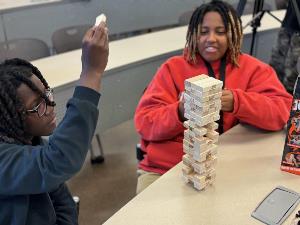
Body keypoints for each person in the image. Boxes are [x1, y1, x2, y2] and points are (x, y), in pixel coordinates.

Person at [134, 0, 292, 194]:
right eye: (203, 31)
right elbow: (145, 122)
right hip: (164, 169)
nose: (211, 38)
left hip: (227, 167)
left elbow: (283, 111)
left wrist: (237, 102)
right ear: (193, 34)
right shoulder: (172, 68)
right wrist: (181, 111)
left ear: (233, 34)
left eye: (220, 31)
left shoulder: (253, 69)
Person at [0, 21, 109, 224]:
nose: (50, 105)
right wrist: (91, 72)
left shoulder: (31, 140)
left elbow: (62, 201)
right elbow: (58, 159)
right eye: (37, 105)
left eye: (47, 93)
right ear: (11, 117)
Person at [269, 0, 300, 93]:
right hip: (287, 25)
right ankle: (272, 95)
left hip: (297, 33)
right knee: (274, 67)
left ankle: (288, 102)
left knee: (291, 75)